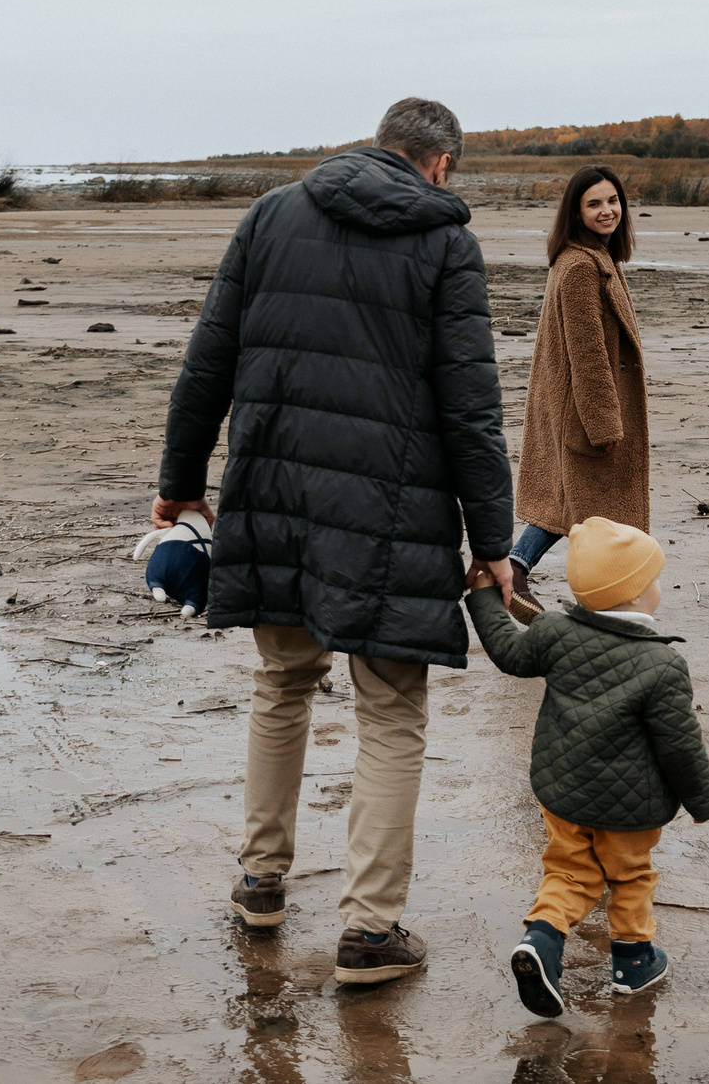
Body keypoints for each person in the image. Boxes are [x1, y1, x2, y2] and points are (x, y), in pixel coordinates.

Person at [152, 96, 515, 985]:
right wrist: (493, 539)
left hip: (274, 488)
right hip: (391, 506)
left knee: (281, 684)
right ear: (438, 164)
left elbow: (210, 357)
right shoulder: (444, 241)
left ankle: (260, 880)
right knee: (391, 710)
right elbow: (470, 406)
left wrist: (179, 481)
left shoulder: (272, 215)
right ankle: (371, 929)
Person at [464, 517, 709, 1016]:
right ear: (636, 594)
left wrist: (481, 597)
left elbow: (508, 652)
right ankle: (633, 961)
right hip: (631, 808)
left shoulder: (556, 631)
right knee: (630, 877)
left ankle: (541, 940)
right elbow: (680, 745)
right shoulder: (662, 665)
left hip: (562, 793)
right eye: (654, 579)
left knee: (568, 871)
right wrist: (702, 802)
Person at [508, 163, 647, 621]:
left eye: (612, 200)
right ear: (576, 211)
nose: (607, 210)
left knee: (568, 504)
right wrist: (605, 423)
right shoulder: (580, 268)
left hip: (576, 409)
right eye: (594, 204)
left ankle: (518, 573)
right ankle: (605, 601)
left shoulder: (600, 259)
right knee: (587, 511)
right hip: (585, 412)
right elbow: (587, 357)